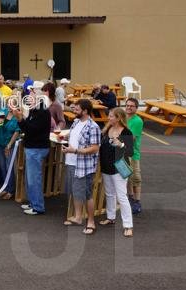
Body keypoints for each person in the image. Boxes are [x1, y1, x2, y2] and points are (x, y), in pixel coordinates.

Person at [61, 99, 101, 234]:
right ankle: (78, 217)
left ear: (85, 111)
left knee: (87, 194)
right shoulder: (76, 122)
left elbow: (95, 148)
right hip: (71, 162)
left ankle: (91, 222)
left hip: (84, 166)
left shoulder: (93, 127)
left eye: (77, 109)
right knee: (75, 192)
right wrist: (64, 138)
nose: (74, 111)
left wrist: (75, 151)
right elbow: (72, 137)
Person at [14, 83, 51, 215]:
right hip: (33, 147)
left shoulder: (42, 111)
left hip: (37, 148)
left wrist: (20, 118)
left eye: (32, 93)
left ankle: (37, 207)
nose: (29, 96)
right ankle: (33, 203)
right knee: (31, 178)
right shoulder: (35, 110)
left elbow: (31, 129)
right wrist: (21, 119)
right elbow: (27, 128)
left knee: (34, 179)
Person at [98, 107, 135, 237]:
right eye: (109, 116)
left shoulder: (126, 132)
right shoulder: (107, 129)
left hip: (119, 168)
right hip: (106, 166)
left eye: (111, 116)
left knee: (122, 196)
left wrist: (121, 144)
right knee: (109, 194)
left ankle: (128, 225)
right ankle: (111, 217)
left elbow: (130, 152)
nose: (109, 118)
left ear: (118, 118)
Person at [125, 97, 144, 214]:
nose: (128, 107)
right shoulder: (123, 118)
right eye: (127, 105)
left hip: (132, 154)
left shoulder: (137, 121)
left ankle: (137, 201)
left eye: (131, 106)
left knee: (136, 178)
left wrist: (116, 138)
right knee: (127, 177)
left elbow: (131, 138)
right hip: (123, 152)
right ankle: (130, 198)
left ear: (136, 108)